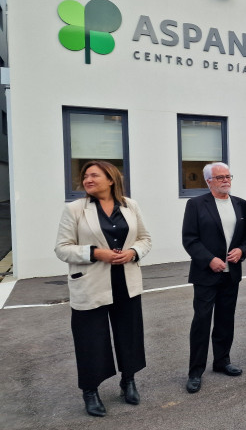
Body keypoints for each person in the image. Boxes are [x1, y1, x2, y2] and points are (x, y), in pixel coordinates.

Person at [54, 161, 152, 417]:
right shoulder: (75, 209)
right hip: (90, 284)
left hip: (126, 281)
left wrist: (132, 252)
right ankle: (90, 390)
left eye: (94, 175)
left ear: (111, 179)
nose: (88, 179)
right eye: (85, 175)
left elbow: (145, 239)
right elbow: (62, 248)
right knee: (90, 340)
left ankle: (128, 381)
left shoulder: (130, 206)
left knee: (129, 335)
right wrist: (95, 253)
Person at [182, 163, 246, 394]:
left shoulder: (241, 204)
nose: (226, 180)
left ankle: (222, 361)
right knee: (201, 322)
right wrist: (209, 259)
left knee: (225, 320)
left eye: (228, 176)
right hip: (206, 274)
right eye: (220, 177)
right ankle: (195, 372)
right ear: (208, 181)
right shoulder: (195, 204)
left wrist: (242, 250)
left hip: (231, 273)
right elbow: (190, 239)